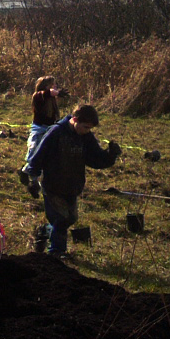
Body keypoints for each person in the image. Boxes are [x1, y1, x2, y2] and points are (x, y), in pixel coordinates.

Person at [25, 104, 120, 257]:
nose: (87, 131)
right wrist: (33, 179)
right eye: (85, 127)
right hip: (53, 186)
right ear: (74, 119)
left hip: (73, 186)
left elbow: (95, 159)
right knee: (61, 218)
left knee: (71, 218)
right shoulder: (56, 132)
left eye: (90, 128)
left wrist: (110, 155)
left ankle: (46, 231)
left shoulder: (86, 137)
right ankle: (56, 251)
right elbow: (38, 156)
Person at [18, 76, 63, 192]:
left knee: (43, 155)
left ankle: (26, 173)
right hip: (38, 130)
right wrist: (55, 92)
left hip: (49, 130)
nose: (54, 87)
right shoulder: (38, 96)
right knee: (34, 153)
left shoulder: (51, 101)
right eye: (52, 85)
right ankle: (33, 181)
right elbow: (46, 94)